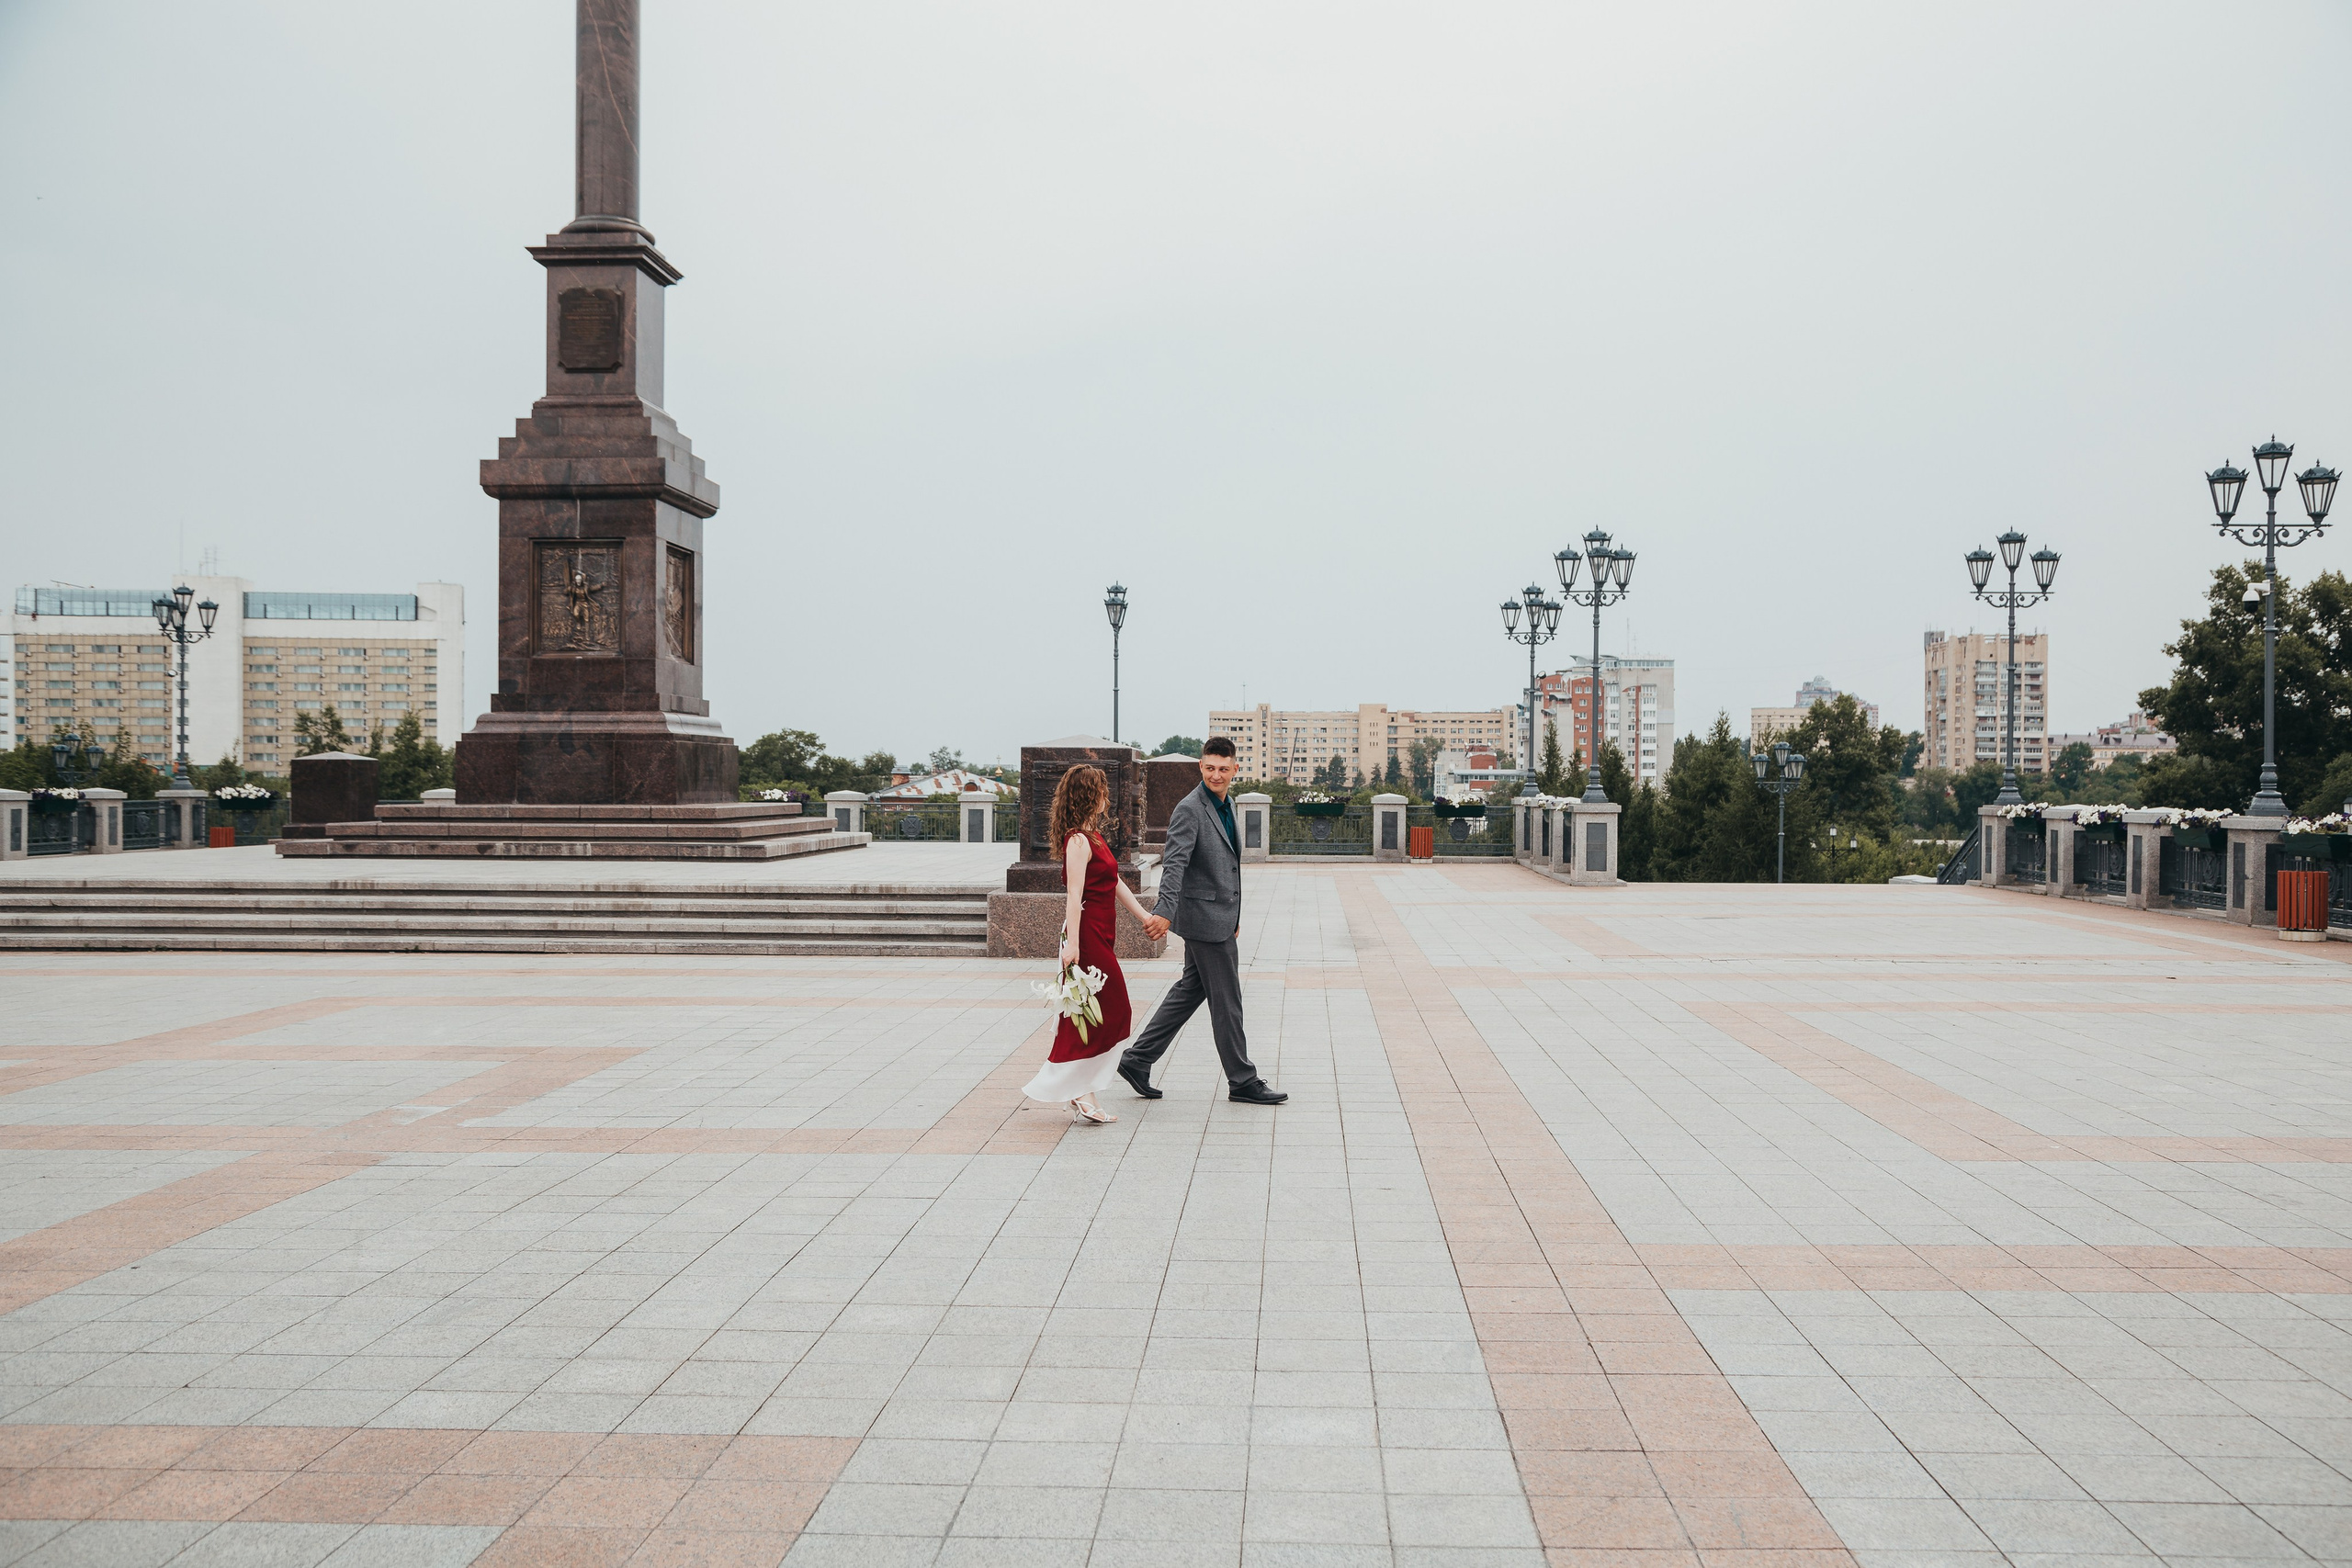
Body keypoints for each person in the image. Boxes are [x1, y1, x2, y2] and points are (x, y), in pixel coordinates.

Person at [1118, 737, 1286, 1105]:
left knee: (1189, 991)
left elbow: (1227, 864)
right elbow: (1175, 863)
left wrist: (1235, 913)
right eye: (1209, 768)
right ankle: (1242, 1079)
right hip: (1204, 919)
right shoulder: (1189, 809)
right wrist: (1163, 910)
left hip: (1219, 916)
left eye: (1223, 769)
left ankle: (1137, 1059)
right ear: (1200, 766)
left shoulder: (1229, 804)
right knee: (1227, 1001)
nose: (1215, 774)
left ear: (1235, 770)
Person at [1021, 764, 1153, 1122]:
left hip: (1101, 932)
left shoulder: (1094, 837)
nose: (1108, 797)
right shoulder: (1078, 840)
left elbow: (1114, 883)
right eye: (1102, 790)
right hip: (1087, 934)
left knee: (1097, 1012)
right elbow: (1074, 894)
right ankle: (1078, 1088)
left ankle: (1082, 1090)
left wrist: (1144, 918)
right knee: (1109, 1009)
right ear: (1090, 795)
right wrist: (1073, 945)